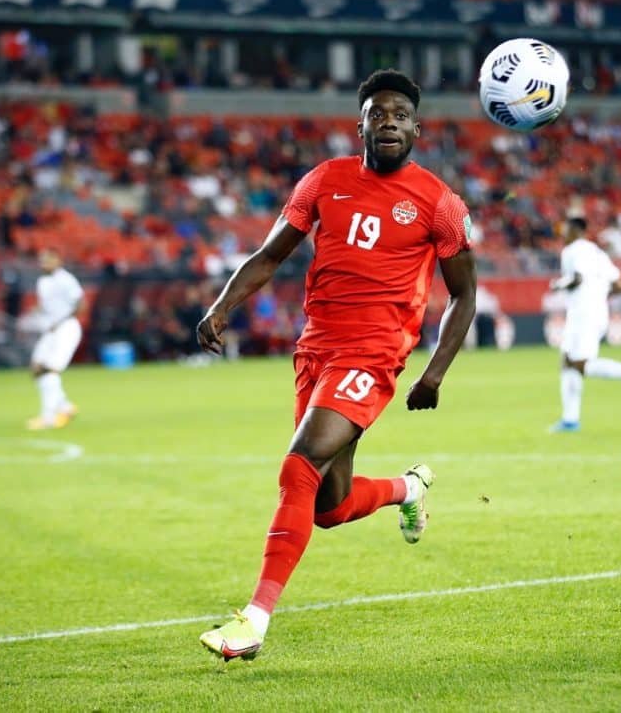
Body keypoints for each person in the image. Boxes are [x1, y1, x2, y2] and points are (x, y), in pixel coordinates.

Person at [196, 69, 477, 662]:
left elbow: (464, 294)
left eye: (401, 114)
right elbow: (270, 254)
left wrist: (433, 373)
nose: (390, 122)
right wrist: (222, 308)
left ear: (418, 129)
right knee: (328, 506)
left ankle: (253, 622)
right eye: (379, 113)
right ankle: (409, 487)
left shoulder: (440, 204)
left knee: (299, 467)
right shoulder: (324, 181)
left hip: (374, 352)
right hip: (316, 348)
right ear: (361, 125)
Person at [550, 216, 621, 433]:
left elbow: (576, 279)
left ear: (575, 231)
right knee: (568, 360)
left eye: (566, 230)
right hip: (594, 311)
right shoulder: (597, 253)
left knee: (582, 364)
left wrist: (558, 284)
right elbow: (619, 285)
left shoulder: (572, 250)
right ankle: (570, 420)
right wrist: (599, 293)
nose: (563, 234)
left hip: (584, 314)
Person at [26, 249, 82, 430]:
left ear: (59, 260)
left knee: (50, 370)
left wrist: (61, 321)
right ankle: (65, 407)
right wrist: (36, 312)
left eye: (49, 260)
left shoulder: (66, 279)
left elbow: (81, 304)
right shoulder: (42, 281)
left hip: (66, 329)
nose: (44, 263)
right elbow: (47, 305)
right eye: (42, 260)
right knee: (36, 368)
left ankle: (48, 418)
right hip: (50, 331)